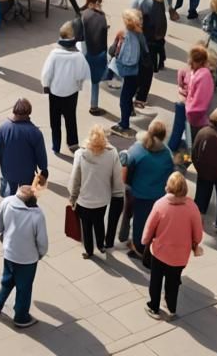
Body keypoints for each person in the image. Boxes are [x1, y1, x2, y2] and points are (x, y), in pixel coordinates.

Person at [141, 171, 204, 319]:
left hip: (160, 252)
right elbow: (198, 234)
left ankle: (154, 307)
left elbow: (149, 227)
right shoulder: (192, 207)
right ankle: (171, 308)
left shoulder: (160, 204)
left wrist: (145, 240)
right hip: (180, 255)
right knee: (173, 283)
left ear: (168, 187)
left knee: (155, 281)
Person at [0, 184, 48, 328]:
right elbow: (42, 241)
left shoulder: (7, 202)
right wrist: (40, 254)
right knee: (24, 287)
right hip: (27, 259)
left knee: (7, 280)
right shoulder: (36, 215)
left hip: (9, 253)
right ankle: (21, 317)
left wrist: (3, 237)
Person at [68, 124, 124, 258]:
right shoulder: (112, 153)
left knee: (86, 227)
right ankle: (101, 245)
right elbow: (117, 177)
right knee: (99, 222)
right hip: (102, 199)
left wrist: (73, 197)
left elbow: (75, 178)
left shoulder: (80, 154)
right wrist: (117, 193)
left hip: (84, 200)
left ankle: (89, 250)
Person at [123, 118, 175, 257]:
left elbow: (128, 173)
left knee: (139, 224)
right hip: (159, 197)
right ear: (164, 136)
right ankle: (150, 246)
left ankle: (139, 249)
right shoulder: (167, 154)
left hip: (139, 195)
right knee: (154, 224)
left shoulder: (137, 150)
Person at [41, 21, 90, 154]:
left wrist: (46, 85)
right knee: (70, 118)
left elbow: (46, 73)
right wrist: (78, 84)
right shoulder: (78, 56)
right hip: (71, 92)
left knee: (55, 120)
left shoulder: (54, 55)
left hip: (55, 92)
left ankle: (56, 145)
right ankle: (73, 143)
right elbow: (83, 73)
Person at [0, 98, 49, 197]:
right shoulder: (35, 132)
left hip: (8, 171)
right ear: (28, 112)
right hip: (27, 174)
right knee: (26, 198)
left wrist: (3, 160)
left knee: (9, 197)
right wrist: (44, 169)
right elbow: (40, 154)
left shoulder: (4, 127)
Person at [190, 107, 217, 233]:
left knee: (201, 193)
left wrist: (199, 167)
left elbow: (194, 152)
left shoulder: (203, 133)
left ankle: (198, 214)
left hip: (204, 172)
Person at [109, 9, 146, 135]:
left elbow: (130, 60)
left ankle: (124, 124)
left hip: (132, 73)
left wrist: (118, 58)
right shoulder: (137, 34)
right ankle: (130, 111)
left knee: (124, 99)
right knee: (128, 96)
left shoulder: (130, 37)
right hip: (138, 72)